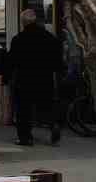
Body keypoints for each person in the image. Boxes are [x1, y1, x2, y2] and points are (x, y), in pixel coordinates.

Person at [5, 8, 64, 146]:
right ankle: (53, 124)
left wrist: (6, 77)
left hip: (25, 79)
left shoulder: (18, 39)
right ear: (35, 20)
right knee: (46, 105)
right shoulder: (49, 38)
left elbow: (11, 60)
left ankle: (25, 137)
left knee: (23, 109)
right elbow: (57, 59)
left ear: (23, 23)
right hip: (45, 78)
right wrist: (58, 72)